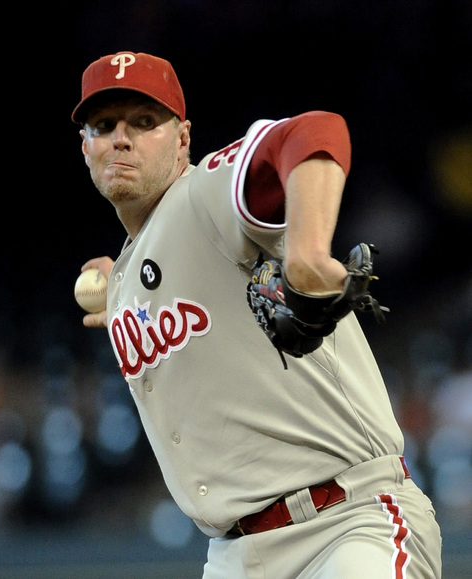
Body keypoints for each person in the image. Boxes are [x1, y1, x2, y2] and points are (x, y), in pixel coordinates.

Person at [72, 51, 442, 578]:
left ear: (183, 139)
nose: (121, 138)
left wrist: (307, 253)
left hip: (345, 525)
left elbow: (314, 131)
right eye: (104, 125)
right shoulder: (133, 269)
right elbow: (173, 276)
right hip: (235, 556)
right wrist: (121, 287)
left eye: (145, 121)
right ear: (85, 146)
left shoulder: (206, 194)